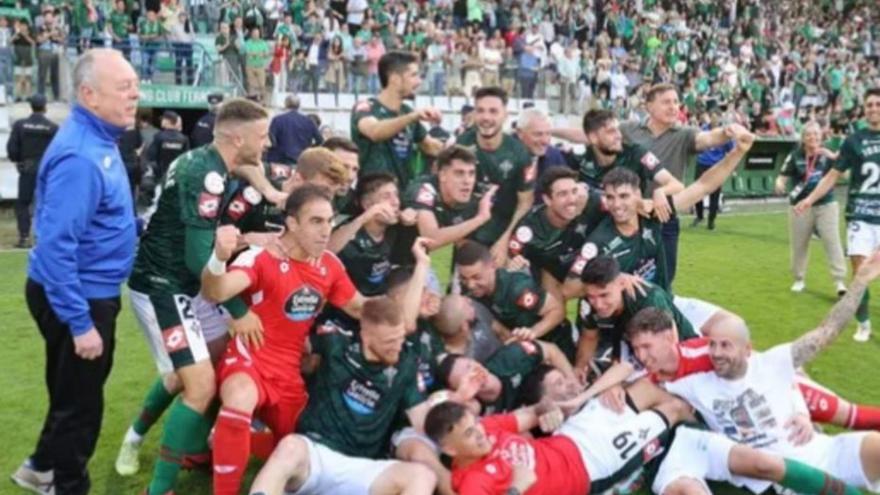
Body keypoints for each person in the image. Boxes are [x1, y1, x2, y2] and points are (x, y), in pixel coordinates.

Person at [126, 98, 272, 495]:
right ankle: (159, 487)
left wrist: (270, 189)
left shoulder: (206, 161)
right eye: (262, 135)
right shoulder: (205, 175)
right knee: (200, 384)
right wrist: (238, 309)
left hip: (178, 285)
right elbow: (196, 260)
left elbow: (245, 167)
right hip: (163, 286)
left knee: (196, 372)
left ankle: (142, 441)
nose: (267, 142)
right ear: (238, 137)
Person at [644, 250, 880, 494]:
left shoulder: (773, 363)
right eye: (712, 344)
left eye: (726, 345)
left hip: (825, 453)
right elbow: (645, 388)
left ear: (747, 349)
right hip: (787, 479)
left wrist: (860, 281)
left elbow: (828, 330)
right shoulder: (692, 384)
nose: (715, 352)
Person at [11, 48, 139, 495]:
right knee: (82, 406)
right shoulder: (82, 156)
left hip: (89, 290)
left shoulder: (101, 141)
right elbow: (55, 248)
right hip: (79, 296)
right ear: (89, 95)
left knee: (71, 394)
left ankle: (40, 466)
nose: (135, 94)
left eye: (134, 85)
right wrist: (80, 322)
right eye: (123, 87)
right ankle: (67, 486)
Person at [201, 185, 364, 495]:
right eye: (316, 221)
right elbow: (216, 291)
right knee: (239, 398)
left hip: (289, 373)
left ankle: (234, 439)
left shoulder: (330, 266)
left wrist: (405, 301)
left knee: (302, 446)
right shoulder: (262, 257)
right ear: (291, 223)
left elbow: (360, 307)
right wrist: (218, 259)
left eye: (329, 221)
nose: (326, 231)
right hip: (251, 358)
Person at [248, 248, 439, 495]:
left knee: (422, 477)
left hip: (362, 468)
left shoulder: (404, 365)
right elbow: (291, 341)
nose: (397, 347)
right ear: (366, 335)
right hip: (316, 455)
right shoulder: (336, 344)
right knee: (289, 447)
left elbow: (421, 418)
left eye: (400, 338)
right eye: (389, 342)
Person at [554, 83, 751, 285]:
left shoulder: (684, 134)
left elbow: (708, 139)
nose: (674, 107)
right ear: (649, 106)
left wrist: (727, 132)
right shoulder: (629, 130)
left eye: (676, 102)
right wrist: (550, 131)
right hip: (624, 215)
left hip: (662, 214)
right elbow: (590, 135)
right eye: (667, 102)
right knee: (609, 280)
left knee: (661, 281)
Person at [564, 131, 753, 291]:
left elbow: (703, 186)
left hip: (663, 305)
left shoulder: (653, 213)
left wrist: (738, 152)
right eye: (610, 197)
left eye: (623, 196)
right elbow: (570, 288)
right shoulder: (599, 240)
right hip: (629, 321)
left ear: (638, 194)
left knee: (731, 326)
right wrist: (615, 280)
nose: (616, 204)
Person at [796, 88, 880, 342]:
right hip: (860, 217)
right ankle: (863, 324)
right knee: (860, 273)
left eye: (877, 104)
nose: (874, 108)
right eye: (869, 105)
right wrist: (809, 199)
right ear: (864, 109)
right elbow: (832, 176)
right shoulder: (854, 141)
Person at [456, 86, 537, 267]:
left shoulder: (519, 153)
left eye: (493, 111)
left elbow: (525, 201)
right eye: (480, 111)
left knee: (503, 289)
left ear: (505, 115)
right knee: (464, 289)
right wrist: (459, 236)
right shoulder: (461, 145)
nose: (486, 117)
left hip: (503, 233)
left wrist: (505, 240)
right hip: (469, 235)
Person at [455, 240, 575, 360]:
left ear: (492, 266)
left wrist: (532, 332)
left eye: (477, 277)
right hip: (516, 348)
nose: (470, 284)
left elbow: (557, 311)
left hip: (555, 343)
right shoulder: (468, 292)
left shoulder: (516, 288)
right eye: (464, 278)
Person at [351, 50, 444, 190]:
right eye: (413, 75)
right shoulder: (366, 107)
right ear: (394, 79)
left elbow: (431, 147)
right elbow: (375, 132)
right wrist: (414, 117)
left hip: (402, 197)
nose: (419, 82)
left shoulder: (407, 111)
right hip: (373, 197)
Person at [776, 122, 847, 295]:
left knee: (832, 241)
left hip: (826, 204)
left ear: (821, 136)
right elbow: (782, 177)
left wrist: (832, 157)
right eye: (808, 134)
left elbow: (844, 174)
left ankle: (839, 282)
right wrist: (779, 184)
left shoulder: (827, 153)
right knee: (799, 244)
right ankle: (799, 279)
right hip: (800, 207)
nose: (812, 137)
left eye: (816, 134)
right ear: (803, 138)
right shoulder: (795, 155)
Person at [405, 145, 496, 249]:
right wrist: (480, 218)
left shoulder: (477, 195)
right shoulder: (424, 189)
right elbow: (430, 239)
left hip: (431, 260)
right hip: (398, 260)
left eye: (471, 173)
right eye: (459, 173)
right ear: (442, 175)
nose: (467, 181)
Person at [7, 94, 58, 248]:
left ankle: (24, 237)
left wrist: (18, 160)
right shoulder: (53, 127)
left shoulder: (20, 125)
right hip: (46, 170)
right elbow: (58, 150)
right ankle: (46, 237)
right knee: (48, 204)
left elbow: (12, 149)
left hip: (27, 168)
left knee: (23, 203)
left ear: (31, 107)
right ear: (45, 107)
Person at [693, 119, 734, 230]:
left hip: (717, 166)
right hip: (702, 164)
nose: (714, 120)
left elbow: (731, 150)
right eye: (713, 117)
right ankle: (699, 216)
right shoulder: (703, 130)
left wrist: (730, 166)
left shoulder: (725, 133)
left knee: (714, 194)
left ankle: (711, 221)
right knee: (697, 192)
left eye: (717, 118)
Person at [514, 108, 569, 188]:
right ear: (520, 133)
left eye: (548, 134)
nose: (545, 141)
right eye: (538, 134)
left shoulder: (555, 157)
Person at [266, 94, 323, 165]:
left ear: (286, 104)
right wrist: (309, 148)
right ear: (299, 105)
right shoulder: (308, 121)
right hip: (302, 159)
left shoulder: (277, 120)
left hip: (281, 159)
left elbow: (271, 139)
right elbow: (320, 140)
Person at [144, 110, 190, 186]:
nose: (161, 121)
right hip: (176, 176)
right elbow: (186, 160)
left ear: (167, 121)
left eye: (163, 119)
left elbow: (150, 156)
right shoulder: (184, 139)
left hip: (161, 176)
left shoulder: (159, 137)